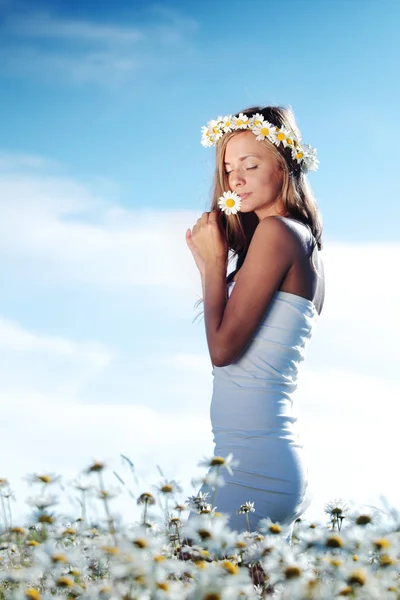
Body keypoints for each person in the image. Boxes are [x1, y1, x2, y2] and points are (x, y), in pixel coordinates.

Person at [185, 106, 325, 538]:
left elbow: (223, 351)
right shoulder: (297, 240)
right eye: (228, 169)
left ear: (283, 167)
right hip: (253, 459)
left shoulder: (279, 233)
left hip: (256, 469)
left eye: (250, 164)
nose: (236, 180)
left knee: (180, 575)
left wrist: (211, 267)